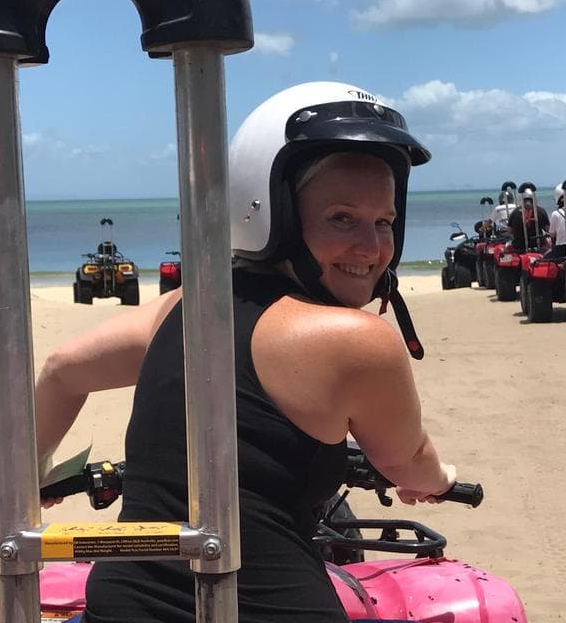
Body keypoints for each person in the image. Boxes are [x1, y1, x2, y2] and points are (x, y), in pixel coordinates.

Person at [33, 81, 458, 622]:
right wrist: (439, 478)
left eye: (385, 222)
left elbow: (62, 371)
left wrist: (35, 475)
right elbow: (406, 462)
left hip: (120, 607)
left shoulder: (186, 307)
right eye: (342, 218)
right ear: (273, 213)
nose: (372, 248)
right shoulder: (359, 339)